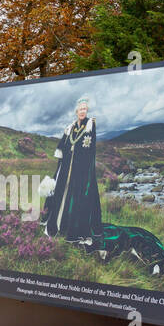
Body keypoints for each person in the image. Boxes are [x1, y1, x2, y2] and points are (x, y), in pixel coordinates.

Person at [43, 96, 101, 244]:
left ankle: (74, 229)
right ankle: (59, 225)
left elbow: (90, 147)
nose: (83, 111)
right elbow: (64, 145)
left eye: (85, 109)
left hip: (80, 170)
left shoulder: (90, 124)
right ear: (76, 111)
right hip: (67, 168)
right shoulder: (71, 127)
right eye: (80, 109)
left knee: (76, 198)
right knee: (62, 193)